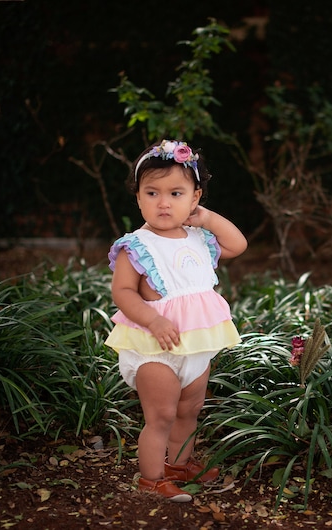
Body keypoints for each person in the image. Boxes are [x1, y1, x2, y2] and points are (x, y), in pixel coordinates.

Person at [105, 139, 248, 502]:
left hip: (194, 345)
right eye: (152, 192)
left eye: (176, 193)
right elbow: (123, 292)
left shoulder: (200, 238)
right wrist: (152, 320)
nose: (163, 202)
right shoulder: (136, 246)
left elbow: (238, 244)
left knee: (189, 409)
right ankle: (151, 480)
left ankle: (179, 465)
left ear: (194, 198)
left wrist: (208, 218)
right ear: (138, 198)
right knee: (163, 415)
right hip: (156, 347)